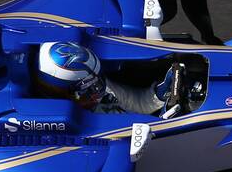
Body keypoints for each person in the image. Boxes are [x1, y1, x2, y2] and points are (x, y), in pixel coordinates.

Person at [33, 41, 180, 116]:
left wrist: (159, 96)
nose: (97, 93)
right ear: (61, 94)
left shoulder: (94, 84)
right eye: (86, 90)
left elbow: (136, 103)